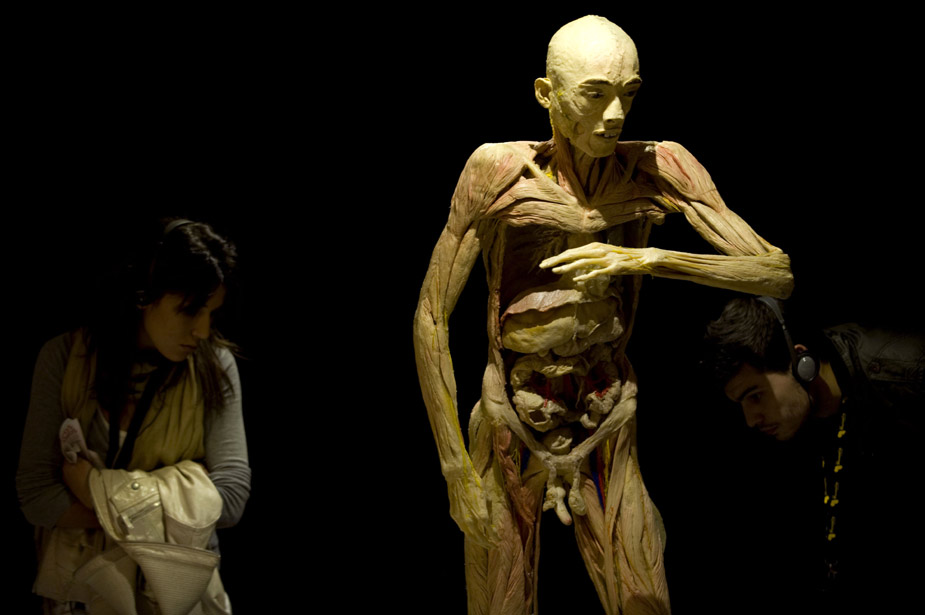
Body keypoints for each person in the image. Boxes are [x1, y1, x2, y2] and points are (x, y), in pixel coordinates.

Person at [413, 15, 793, 615]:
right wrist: (454, 467)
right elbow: (431, 316)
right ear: (547, 94)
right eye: (595, 94)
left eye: (628, 93)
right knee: (500, 604)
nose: (615, 115)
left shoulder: (657, 166)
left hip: (607, 411)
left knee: (644, 598)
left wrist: (645, 258)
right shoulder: (499, 172)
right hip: (513, 415)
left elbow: (775, 273)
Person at [17, 218, 251, 614]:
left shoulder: (216, 365)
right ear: (144, 296)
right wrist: (185, 495)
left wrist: (89, 486)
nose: (202, 330)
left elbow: (229, 500)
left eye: (212, 312)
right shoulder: (64, 358)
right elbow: (38, 498)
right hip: (81, 593)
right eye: (190, 310)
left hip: (179, 597)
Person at [702, 295, 923, 611]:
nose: (750, 420)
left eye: (755, 396)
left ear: (801, 363)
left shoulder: (905, 375)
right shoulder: (791, 419)